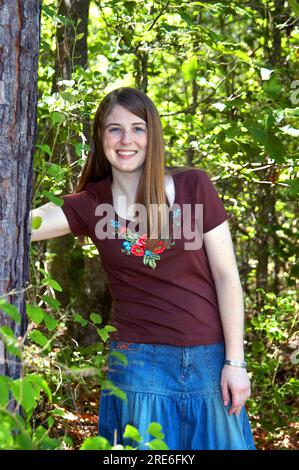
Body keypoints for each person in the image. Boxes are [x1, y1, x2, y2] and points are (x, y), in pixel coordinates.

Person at [30, 87, 256, 450]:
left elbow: (227, 277)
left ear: (152, 136)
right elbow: (22, 223)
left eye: (137, 128)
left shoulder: (193, 186)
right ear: (100, 138)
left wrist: (235, 361)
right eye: (114, 129)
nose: (126, 140)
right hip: (138, 365)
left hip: (210, 361)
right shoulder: (91, 203)